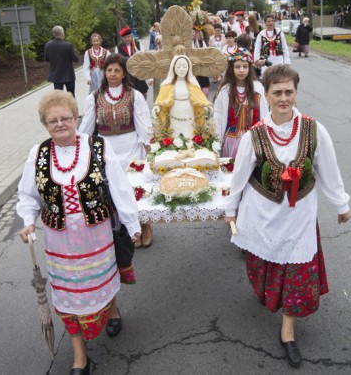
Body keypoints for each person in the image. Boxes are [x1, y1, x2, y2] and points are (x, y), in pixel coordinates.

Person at [223, 64, 351, 369]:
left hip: (300, 216)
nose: (284, 98)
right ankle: (268, 293)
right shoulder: (254, 135)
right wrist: (230, 210)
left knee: (296, 269)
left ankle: (287, 331)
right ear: (265, 95)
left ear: (296, 93)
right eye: (277, 92)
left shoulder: (313, 129)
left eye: (289, 92)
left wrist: (341, 203)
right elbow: (239, 177)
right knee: (262, 266)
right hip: (262, 214)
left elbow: (328, 170)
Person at [16, 90, 142, 375]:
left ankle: (112, 309)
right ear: (45, 125)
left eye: (66, 118)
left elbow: (120, 189)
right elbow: (28, 196)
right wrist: (27, 221)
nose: (60, 124)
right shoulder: (37, 154)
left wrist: (132, 224)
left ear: (76, 118)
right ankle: (79, 357)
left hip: (96, 236)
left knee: (101, 284)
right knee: (68, 296)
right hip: (60, 242)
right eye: (52, 121)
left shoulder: (97, 147)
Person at [77, 54, 155, 248]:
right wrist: (76, 147)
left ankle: (144, 225)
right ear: (104, 72)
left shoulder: (133, 95)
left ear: (123, 74)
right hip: (106, 150)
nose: (112, 74)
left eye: (117, 70)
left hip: (131, 147)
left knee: (134, 188)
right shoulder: (94, 97)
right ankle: (122, 228)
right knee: (112, 190)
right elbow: (85, 127)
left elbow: (143, 123)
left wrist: (149, 148)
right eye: (109, 70)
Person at [213, 48, 268, 158]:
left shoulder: (258, 88)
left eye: (245, 66)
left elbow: (265, 116)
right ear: (231, 69)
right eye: (237, 67)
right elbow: (217, 118)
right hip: (231, 141)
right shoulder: (225, 90)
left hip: (253, 142)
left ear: (250, 68)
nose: (241, 70)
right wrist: (216, 144)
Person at [153, 55, 211, 140]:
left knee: (190, 129)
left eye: (184, 66)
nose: (182, 69)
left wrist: (207, 106)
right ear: (173, 68)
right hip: (175, 111)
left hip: (189, 111)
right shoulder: (167, 84)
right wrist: (157, 107)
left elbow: (200, 98)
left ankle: (191, 141)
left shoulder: (193, 84)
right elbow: (161, 99)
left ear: (188, 68)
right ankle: (176, 141)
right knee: (175, 130)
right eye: (179, 66)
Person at [44, 26, 80, 96]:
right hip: (68, 76)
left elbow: (46, 59)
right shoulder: (68, 45)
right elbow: (76, 59)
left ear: (54, 34)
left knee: (59, 97)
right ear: (62, 33)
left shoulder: (48, 45)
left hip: (56, 76)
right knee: (71, 96)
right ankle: (72, 107)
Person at [115, 26, 150, 96]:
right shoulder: (118, 48)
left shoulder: (138, 44)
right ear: (122, 38)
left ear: (131, 36)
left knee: (142, 92)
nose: (127, 39)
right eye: (125, 37)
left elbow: (143, 57)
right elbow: (117, 61)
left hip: (138, 72)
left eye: (128, 37)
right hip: (126, 73)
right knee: (128, 92)